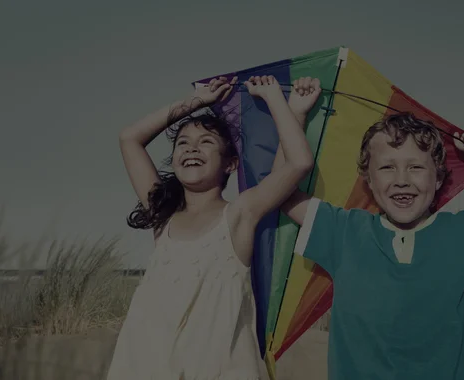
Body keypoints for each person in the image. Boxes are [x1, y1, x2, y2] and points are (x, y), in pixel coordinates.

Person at [273, 79, 464, 380]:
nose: (401, 179)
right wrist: (295, 114)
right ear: (368, 180)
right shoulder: (344, 230)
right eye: (386, 167)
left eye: (415, 167)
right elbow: (280, 191)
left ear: (437, 178)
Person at [107, 75, 317, 379]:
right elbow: (129, 138)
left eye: (206, 143)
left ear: (230, 163)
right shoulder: (163, 215)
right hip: (147, 366)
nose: (192, 149)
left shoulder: (239, 214)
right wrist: (197, 102)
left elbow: (297, 163)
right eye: (183, 144)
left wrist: (278, 101)